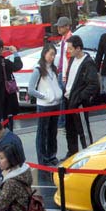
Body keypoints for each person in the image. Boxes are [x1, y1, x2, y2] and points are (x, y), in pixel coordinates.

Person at [27, 43, 62, 180]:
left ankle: (51, 156)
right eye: (50, 54)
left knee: (52, 132)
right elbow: (31, 89)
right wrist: (44, 96)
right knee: (42, 132)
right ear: (44, 53)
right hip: (44, 105)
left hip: (55, 103)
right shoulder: (38, 69)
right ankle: (42, 159)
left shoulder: (53, 69)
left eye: (54, 54)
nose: (52, 57)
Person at [63, 35, 100, 159]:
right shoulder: (73, 60)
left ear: (78, 48)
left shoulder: (88, 63)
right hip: (68, 98)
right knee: (69, 129)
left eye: (70, 48)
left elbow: (93, 84)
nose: (69, 51)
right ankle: (72, 152)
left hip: (78, 102)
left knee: (83, 130)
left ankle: (88, 154)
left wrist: (80, 97)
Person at [0, 39, 22, 121]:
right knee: (7, 121)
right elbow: (18, 66)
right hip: (5, 96)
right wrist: (15, 53)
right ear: (1, 49)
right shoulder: (5, 62)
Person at [54, 17, 73, 130]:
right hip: (61, 70)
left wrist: (65, 72)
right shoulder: (63, 38)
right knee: (61, 96)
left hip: (65, 72)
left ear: (67, 26)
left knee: (62, 97)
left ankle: (62, 122)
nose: (58, 28)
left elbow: (69, 58)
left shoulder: (70, 39)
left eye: (60, 26)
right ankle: (62, 121)